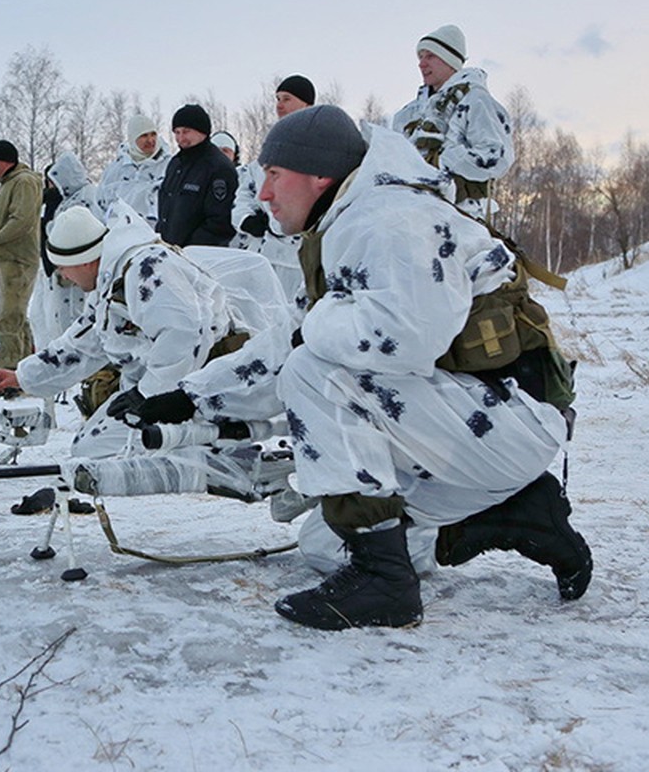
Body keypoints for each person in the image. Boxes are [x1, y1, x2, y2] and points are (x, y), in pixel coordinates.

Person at [136, 105, 590, 631]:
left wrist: (322, 320)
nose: (262, 194)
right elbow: (297, 339)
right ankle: (518, 515)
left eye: (274, 176)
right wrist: (192, 395)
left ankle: (386, 584)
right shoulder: (354, 219)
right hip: (463, 431)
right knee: (326, 546)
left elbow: (404, 341)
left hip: (507, 421)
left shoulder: (389, 221)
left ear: (318, 175)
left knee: (315, 371)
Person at [0, 203, 283, 474]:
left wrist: (148, 397)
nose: (63, 277)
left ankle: (218, 454)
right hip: (161, 384)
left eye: (63, 268)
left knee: (101, 451)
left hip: (202, 379)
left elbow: (186, 333)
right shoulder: (111, 280)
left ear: (85, 261)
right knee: (90, 447)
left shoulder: (146, 268)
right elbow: (83, 344)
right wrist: (22, 376)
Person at [392, 24, 515, 221]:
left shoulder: (476, 101)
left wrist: (443, 161)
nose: (421, 64)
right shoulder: (407, 114)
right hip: (410, 216)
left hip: (460, 219)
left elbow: (496, 156)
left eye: (430, 56)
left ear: (451, 61)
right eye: (420, 56)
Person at [230, 74, 315, 307]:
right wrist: (246, 219)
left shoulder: (321, 144)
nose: (279, 104)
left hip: (304, 259)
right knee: (266, 323)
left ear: (306, 104)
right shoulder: (270, 146)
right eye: (277, 98)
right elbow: (246, 190)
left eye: (286, 98)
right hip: (268, 257)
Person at [31, 151, 102, 348]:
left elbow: (80, 231)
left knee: (72, 322)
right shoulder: (62, 200)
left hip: (76, 271)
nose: (51, 187)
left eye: (53, 182)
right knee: (47, 320)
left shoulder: (86, 197)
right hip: (58, 268)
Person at [0, 140, 42, 369]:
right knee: (16, 318)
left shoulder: (24, 182)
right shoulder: (11, 183)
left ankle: (8, 372)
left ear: (4, 160)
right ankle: (25, 370)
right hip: (9, 260)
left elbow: (22, 220)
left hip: (17, 260)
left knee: (9, 319)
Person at [156, 104, 237, 248]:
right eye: (177, 132)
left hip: (199, 257)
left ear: (202, 132)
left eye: (186, 132)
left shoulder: (219, 167)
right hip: (168, 252)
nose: (181, 138)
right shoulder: (175, 163)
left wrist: (190, 249)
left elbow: (220, 221)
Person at [97, 114, 172, 225]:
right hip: (120, 235)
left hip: (156, 235)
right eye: (144, 136)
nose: (150, 140)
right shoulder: (115, 170)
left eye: (153, 134)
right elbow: (100, 204)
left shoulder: (169, 166)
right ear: (133, 138)